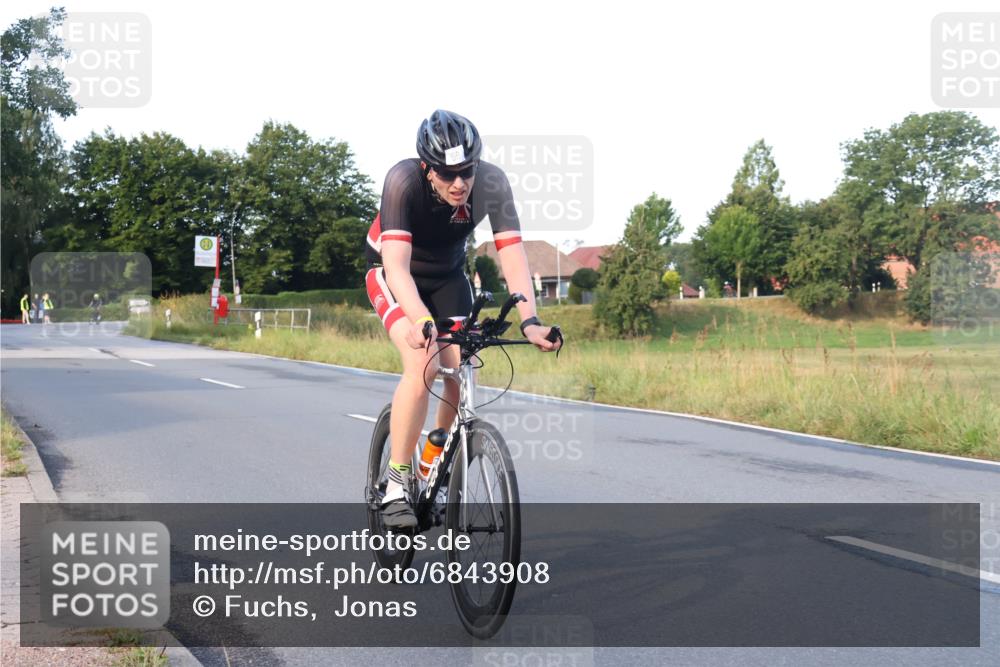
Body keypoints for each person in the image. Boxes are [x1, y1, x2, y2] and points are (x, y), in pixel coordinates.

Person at [364, 110, 562, 528]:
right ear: (426, 168)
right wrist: (420, 322)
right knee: (425, 360)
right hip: (394, 274)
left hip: (448, 277)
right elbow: (396, 268)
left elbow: (511, 251)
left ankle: (430, 467)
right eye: (448, 173)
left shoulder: (492, 183)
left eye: (466, 171)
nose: (460, 183)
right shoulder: (403, 181)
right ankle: (398, 484)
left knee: (462, 366)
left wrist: (531, 320)